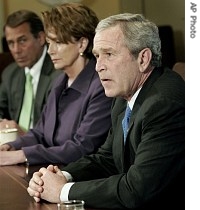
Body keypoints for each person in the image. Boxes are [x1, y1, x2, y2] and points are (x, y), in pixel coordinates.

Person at [27, 13, 185, 210]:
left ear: (143, 58)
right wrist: (59, 176)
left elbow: (137, 189)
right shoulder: (123, 96)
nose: (99, 67)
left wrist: (62, 192)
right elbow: (107, 158)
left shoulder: (164, 104)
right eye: (97, 56)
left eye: (109, 54)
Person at [0, 3, 112, 166]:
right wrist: (10, 146)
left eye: (58, 42)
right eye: (49, 42)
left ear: (82, 44)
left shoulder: (100, 86)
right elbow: (40, 133)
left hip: (80, 179)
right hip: (49, 171)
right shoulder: (60, 81)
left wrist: (22, 155)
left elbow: (81, 148)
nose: (50, 50)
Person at [0, 10, 61, 135]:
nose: (16, 50)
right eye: (11, 43)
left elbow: (54, 131)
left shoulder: (59, 74)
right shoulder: (10, 73)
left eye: (22, 41)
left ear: (41, 38)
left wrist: (24, 136)